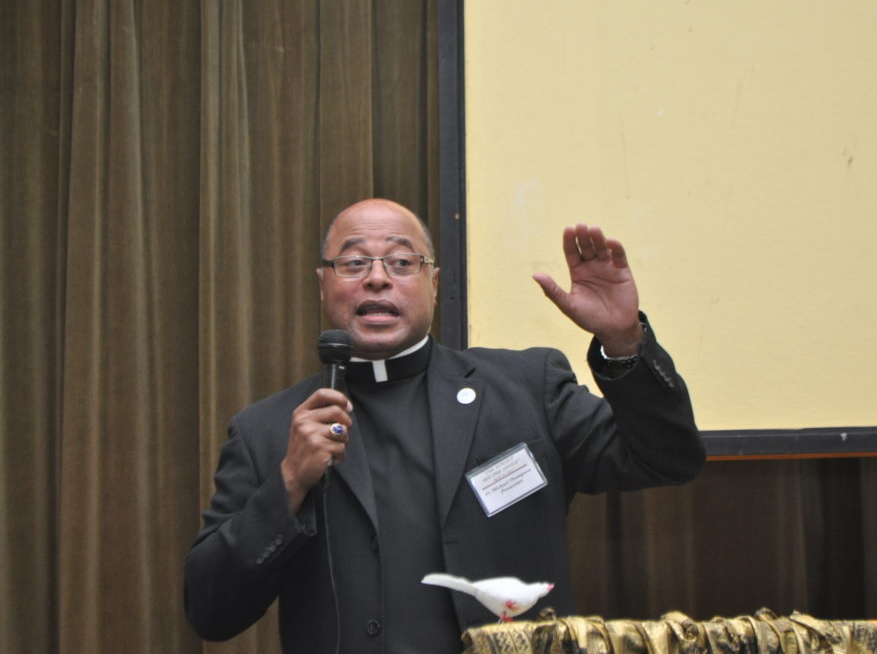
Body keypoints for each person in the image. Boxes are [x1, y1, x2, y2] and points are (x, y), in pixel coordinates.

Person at [184, 198, 705, 653]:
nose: (377, 277)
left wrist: (623, 342)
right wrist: (289, 484)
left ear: (433, 283)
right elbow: (211, 612)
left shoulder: (527, 389)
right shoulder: (266, 431)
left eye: (401, 261)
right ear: (323, 285)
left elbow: (667, 459)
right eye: (354, 262)